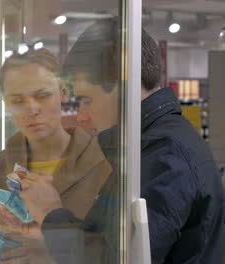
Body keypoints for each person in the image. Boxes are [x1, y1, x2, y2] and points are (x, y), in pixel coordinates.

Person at [19, 18, 224, 264]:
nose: (81, 117)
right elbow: (103, 239)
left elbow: (115, 258)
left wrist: (50, 213)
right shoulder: (148, 145)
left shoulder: (165, 153)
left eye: (87, 100)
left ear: (124, 81)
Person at [0, 48, 112, 263]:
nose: (32, 109)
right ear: (6, 103)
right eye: (17, 100)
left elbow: (117, 253)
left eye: (42, 95)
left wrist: (51, 252)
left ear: (63, 92)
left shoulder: (106, 167)